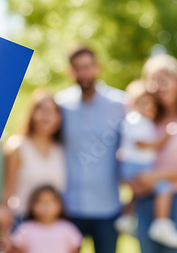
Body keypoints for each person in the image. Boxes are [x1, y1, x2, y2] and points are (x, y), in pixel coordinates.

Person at [55, 46, 126, 253]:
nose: (83, 73)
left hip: (108, 206)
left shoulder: (120, 104)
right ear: (70, 71)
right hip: (69, 206)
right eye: (77, 68)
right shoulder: (60, 104)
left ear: (98, 67)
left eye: (87, 67)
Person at [131, 54, 177, 253]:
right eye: (154, 80)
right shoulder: (143, 119)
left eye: (166, 78)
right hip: (145, 202)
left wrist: (157, 176)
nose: (160, 85)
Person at [115, 79, 177, 248]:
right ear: (133, 103)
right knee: (164, 188)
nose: (149, 108)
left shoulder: (140, 120)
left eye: (151, 105)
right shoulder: (135, 119)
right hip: (137, 166)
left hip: (136, 165)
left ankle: (126, 218)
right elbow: (140, 143)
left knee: (137, 193)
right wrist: (163, 140)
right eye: (143, 103)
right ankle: (161, 223)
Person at [3, 90, 65, 230]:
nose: (47, 116)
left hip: (53, 224)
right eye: (41, 110)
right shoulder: (17, 146)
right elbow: (6, 191)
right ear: (32, 114)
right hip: (21, 222)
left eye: (53, 111)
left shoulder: (60, 149)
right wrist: (3, 230)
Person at [9, 185, 82, 253]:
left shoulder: (68, 228)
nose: (46, 207)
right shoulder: (25, 229)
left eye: (50, 202)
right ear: (32, 205)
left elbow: (74, 250)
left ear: (59, 205)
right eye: (41, 202)